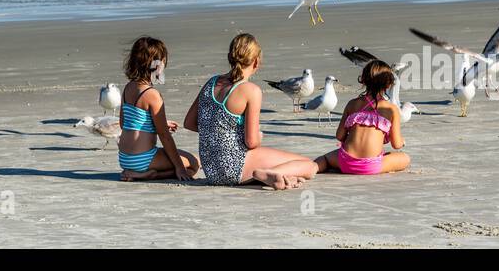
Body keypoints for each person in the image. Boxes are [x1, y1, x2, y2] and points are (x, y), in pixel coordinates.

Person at [184, 33, 318, 190]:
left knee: (295, 166)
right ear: (256, 62)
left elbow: (189, 123)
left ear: (230, 57)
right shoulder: (250, 90)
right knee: (310, 166)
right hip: (236, 165)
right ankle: (270, 173)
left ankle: (272, 175)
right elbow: (251, 142)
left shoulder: (212, 82)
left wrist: (218, 132)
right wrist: (258, 136)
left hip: (212, 170)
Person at [117, 36, 199, 181]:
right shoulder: (151, 94)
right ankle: (148, 175)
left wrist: (157, 124)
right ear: (156, 65)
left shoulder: (128, 88)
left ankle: (137, 172)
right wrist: (179, 167)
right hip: (143, 159)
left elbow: (125, 124)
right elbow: (165, 136)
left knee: (183, 162)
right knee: (193, 164)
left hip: (125, 160)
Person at [314, 60, 410, 176]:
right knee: (404, 158)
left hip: (346, 161)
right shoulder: (391, 109)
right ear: (389, 84)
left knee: (325, 159)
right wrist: (400, 140)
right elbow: (397, 144)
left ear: (363, 80)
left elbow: (339, 136)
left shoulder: (352, 104)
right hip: (372, 165)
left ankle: (311, 168)